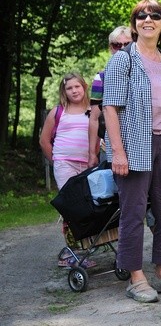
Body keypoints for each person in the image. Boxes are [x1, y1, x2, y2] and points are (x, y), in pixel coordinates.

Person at [103, 0, 161, 303]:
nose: (148, 19)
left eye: (155, 15)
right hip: (134, 144)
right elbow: (110, 108)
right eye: (141, 16)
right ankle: (136, 278)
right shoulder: (122, 60)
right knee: (134, 212)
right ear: (135, 23)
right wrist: (117, 151)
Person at [39, 72, 97, 268]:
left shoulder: (93, 110)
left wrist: (94, 156)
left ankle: (84, 247)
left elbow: (97, 138)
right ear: (64, 91)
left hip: (87, 165)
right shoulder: (58, 112)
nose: (74, 91)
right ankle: (71, 254)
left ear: (84, 86)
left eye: (77, 86)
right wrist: (57, 160)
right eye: (69, 88)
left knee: (89, 206)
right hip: (65, 164)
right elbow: (44, 141)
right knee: (70, 208)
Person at [87, 26, 132, 167]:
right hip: (110, 147)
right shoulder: (101, 77)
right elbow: (94, 118)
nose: (122, 49)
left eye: (128, 44)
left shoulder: (147, 73)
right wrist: (92, 154)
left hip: (143, 146)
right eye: (117, 45)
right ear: (110, 48)